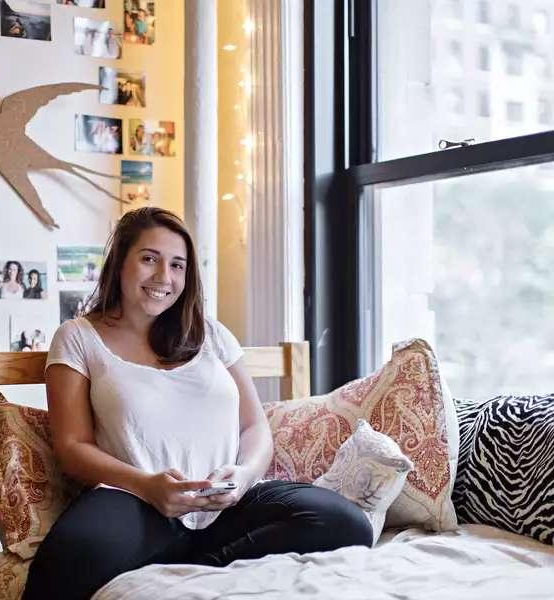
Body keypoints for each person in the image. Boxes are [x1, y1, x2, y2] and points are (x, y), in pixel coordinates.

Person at [21, 207, 372, 599]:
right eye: (149, 259)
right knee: (65, 562)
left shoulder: (212, 334)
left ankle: (201, 570)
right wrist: (148, 485)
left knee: (346, 522)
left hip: (227, 502)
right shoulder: (77, 337)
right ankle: (173, 553)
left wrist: (243, 476)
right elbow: (72, 447)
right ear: (120, 262)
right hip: (136, 499)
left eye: (177, 265)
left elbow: (255, 427)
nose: (163, 277)